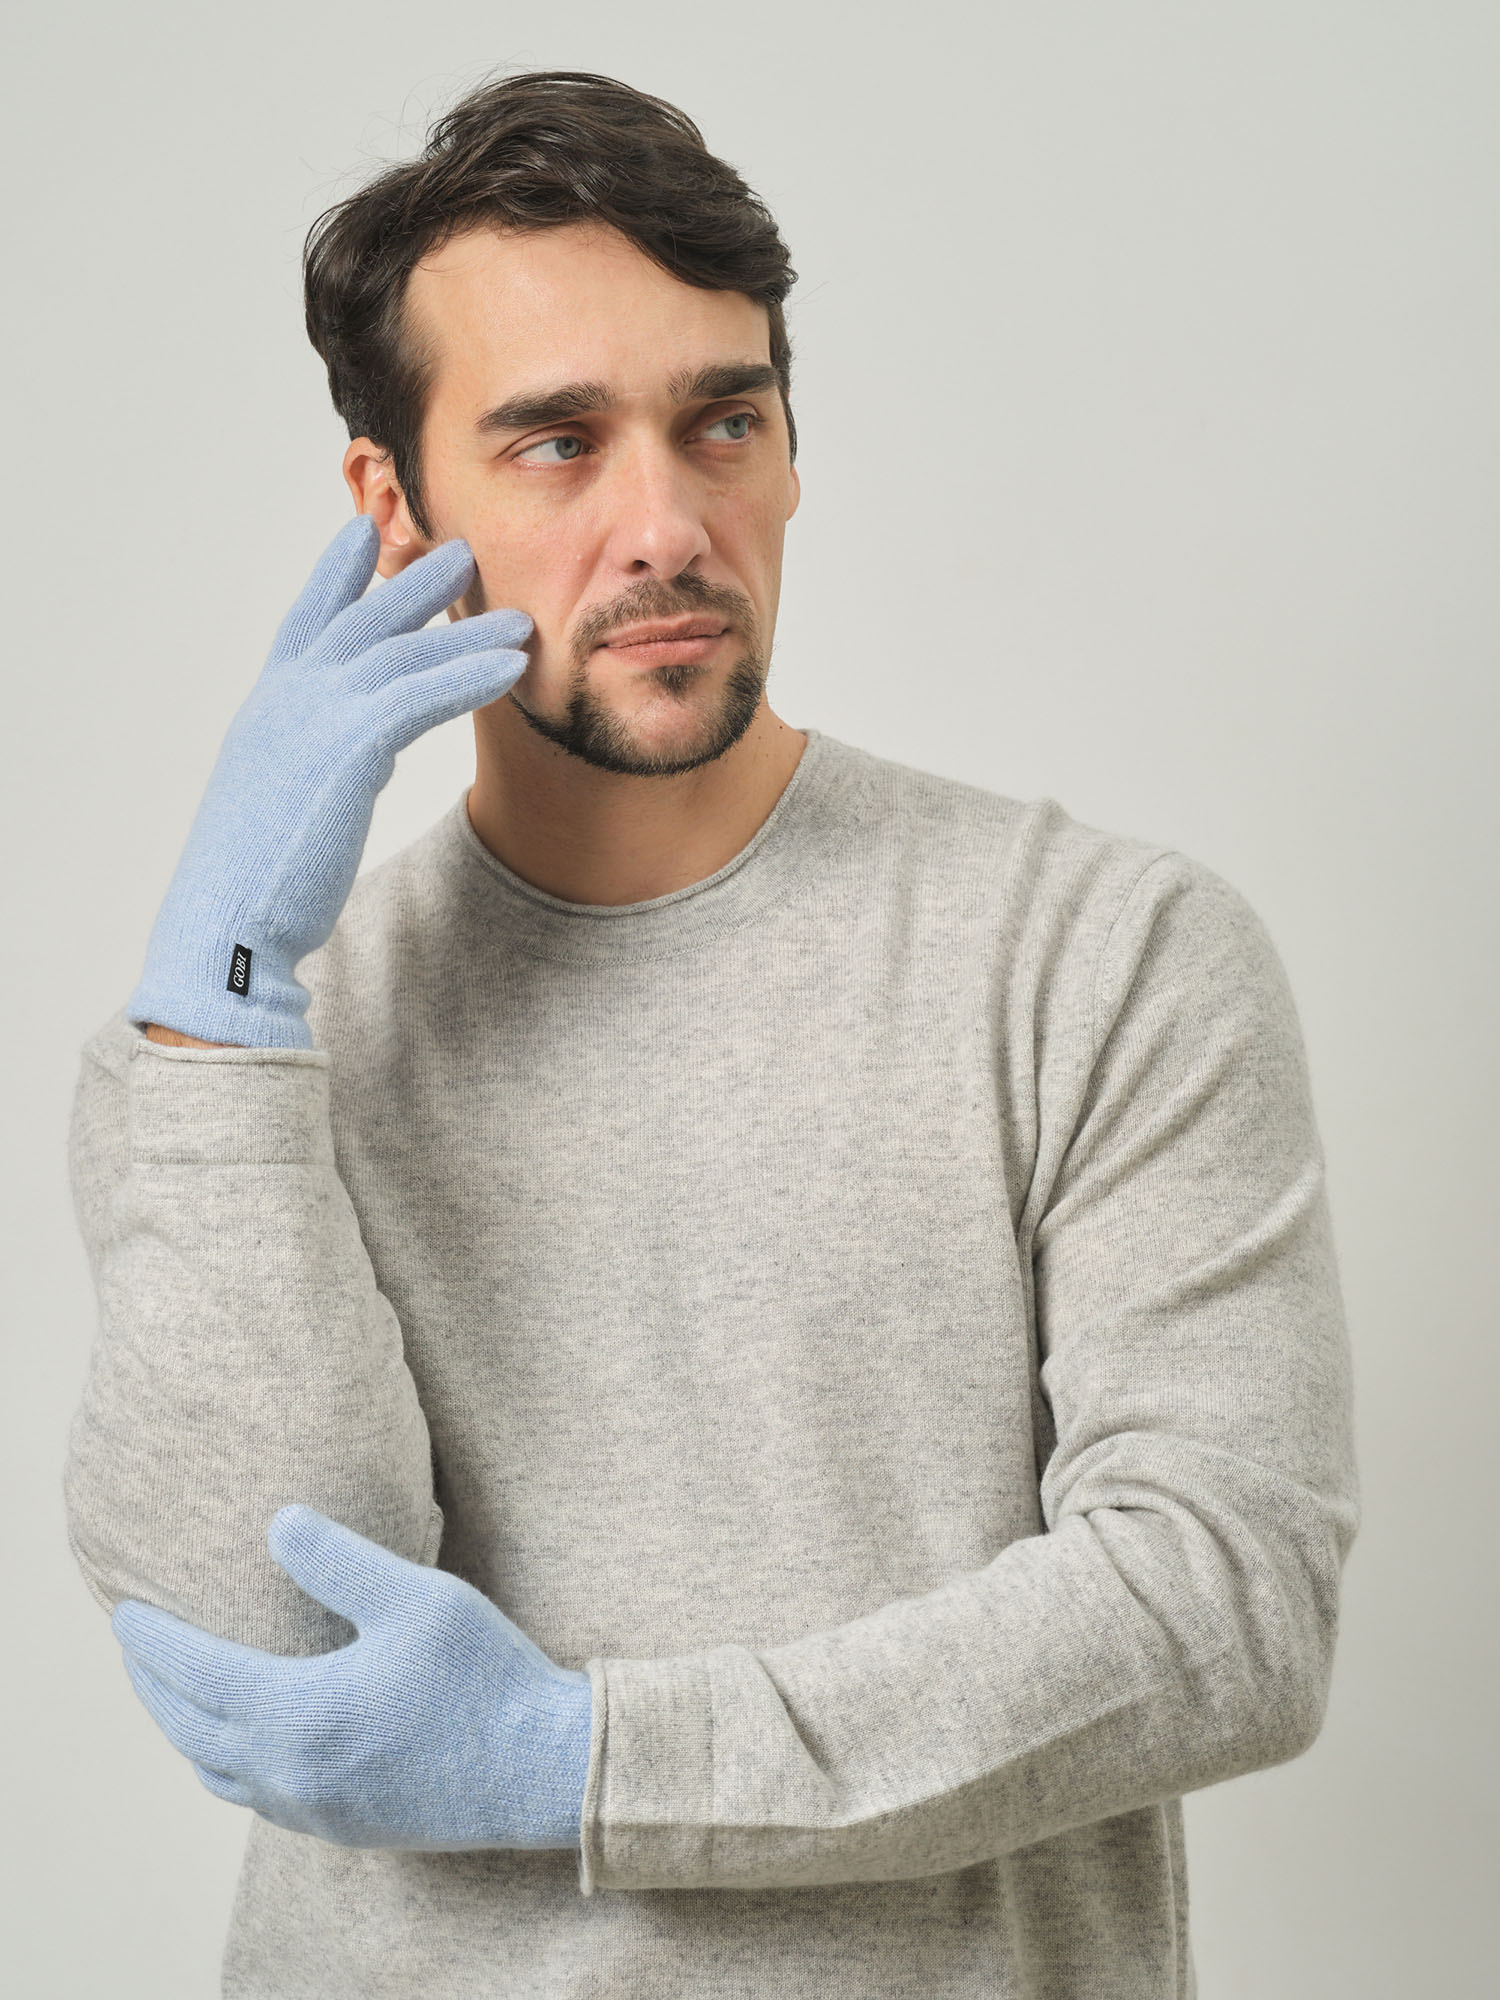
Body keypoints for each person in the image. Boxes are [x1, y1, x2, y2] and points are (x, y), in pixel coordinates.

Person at [63, 66, 1359, 1999]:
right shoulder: (218, 1071)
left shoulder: (1100, 957)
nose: (665, 525)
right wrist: (226, 1016)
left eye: (721, 422)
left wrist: (591, 1763)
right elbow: (280, 1668)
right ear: (393, 508)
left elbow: (1224, 1605)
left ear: (791, 452)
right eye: (556, 444)